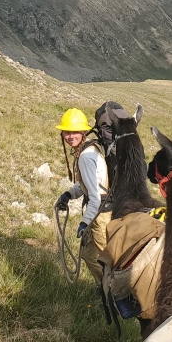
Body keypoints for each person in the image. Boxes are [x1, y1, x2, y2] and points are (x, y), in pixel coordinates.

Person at [54, 108, 111, 284]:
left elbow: (94, 196)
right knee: (88, 255)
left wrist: (84, 222)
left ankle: (117, 296)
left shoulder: (85, 157)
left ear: (83, 132)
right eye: (66, 132)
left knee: (107, 260)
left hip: (100, 215)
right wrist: (69, 194)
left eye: (74, 132)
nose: (70, 136)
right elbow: (89, 183)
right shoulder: (90, 148)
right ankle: (104, 288)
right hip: (101, 211)